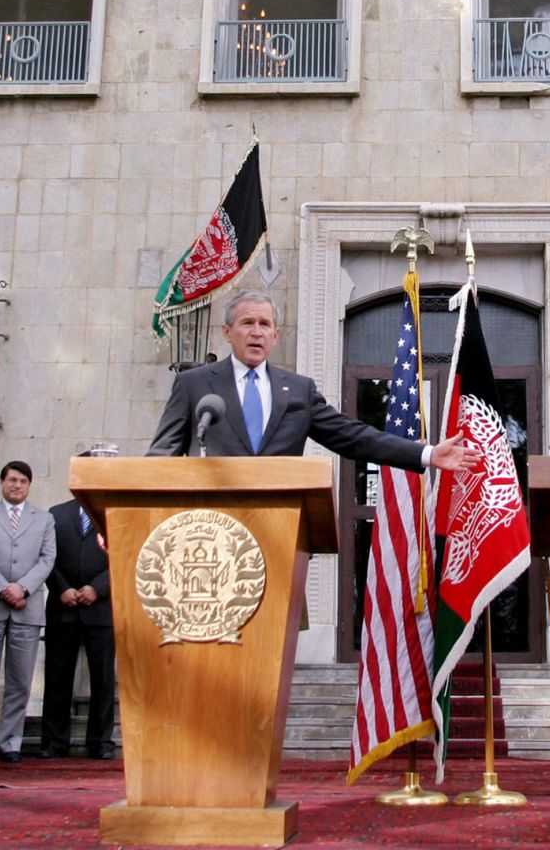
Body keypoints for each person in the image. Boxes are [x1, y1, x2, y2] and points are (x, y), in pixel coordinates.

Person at [149, 291, 483, 473]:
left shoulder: (297, 390)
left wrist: (425, 453)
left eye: (265, 324)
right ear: (227, 332)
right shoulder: (194, 385)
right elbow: (162, 455)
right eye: (247, 323)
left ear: (275, 335)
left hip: (282, 526)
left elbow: (354, 437)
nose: (256, 332)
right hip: (207, 529)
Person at [0, 460, 54, 762]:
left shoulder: (43, 520)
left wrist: (23, 588)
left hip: (26, 607)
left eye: (23, 481)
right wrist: (3, 587)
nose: (17, 486)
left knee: (20, 678)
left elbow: (46, 559)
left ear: (29, 486)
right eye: (12, 480)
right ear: (2, 482)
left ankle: (11, 740)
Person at [40, 493, 114, 759]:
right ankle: (54, 741)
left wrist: (98, 588)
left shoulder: (113, 512)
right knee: (58, 677)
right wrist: (61, 588)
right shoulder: (56, 514)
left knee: (103, 678)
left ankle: (100, 742)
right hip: (64, 607)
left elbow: (123, 554)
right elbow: (46, 558)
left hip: (101, 609)